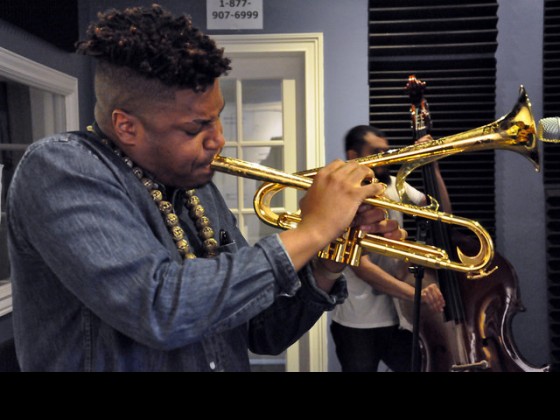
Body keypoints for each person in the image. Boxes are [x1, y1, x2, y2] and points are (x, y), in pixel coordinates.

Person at [6, 5, 406, 372]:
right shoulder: (60, 167)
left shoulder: (194, 186)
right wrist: (313, 229)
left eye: (217, 119)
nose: (218, 140)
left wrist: (325, 263)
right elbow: (161, 310)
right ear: (127, 126)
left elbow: (261, 332)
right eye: (195, 128)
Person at [330, 125, 448, 372]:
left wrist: (432, 165)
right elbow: (361, 267)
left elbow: (442, 213)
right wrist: (415, 294)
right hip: (357, 324)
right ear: (353, 155)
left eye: (386, 151)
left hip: (401, 319)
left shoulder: (396, 185)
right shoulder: (341, 196)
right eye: (376, 152)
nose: (386, 157)